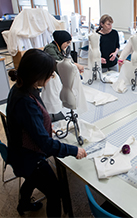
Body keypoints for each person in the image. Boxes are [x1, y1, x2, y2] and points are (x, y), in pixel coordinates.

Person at [6, 49, 87, 217]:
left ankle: (24, 204)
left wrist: (43, 126)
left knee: (33, 179)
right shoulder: (25, 102)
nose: (52, 78)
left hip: (19, 152)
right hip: (27, 158)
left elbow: (29, 123)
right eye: (50, 75)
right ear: (38, 75)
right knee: (54, 191)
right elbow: (44, 144)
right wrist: (73, 151)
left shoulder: (22, 87)